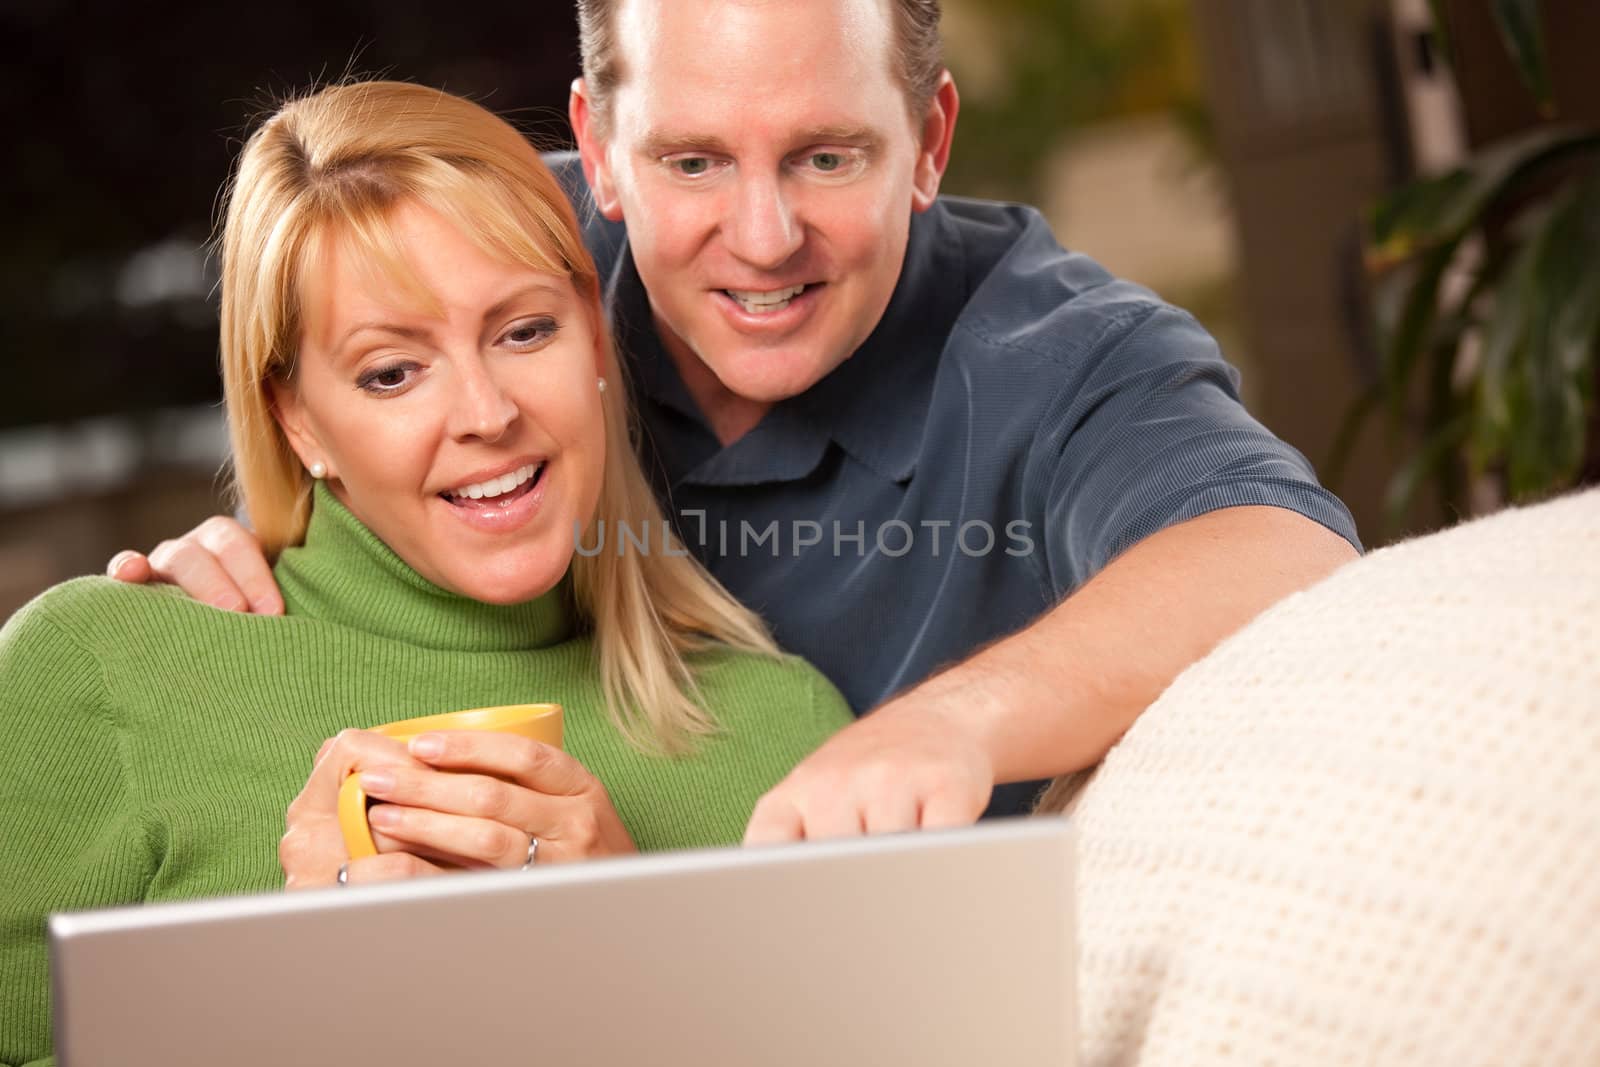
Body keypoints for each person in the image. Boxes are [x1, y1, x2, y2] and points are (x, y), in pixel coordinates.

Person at [108, 0, 1362, 837]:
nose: (762, 241)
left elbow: (1281, 550)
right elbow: (341, 394)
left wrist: (951, 721)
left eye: (825, 156)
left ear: (927, 144)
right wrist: (258, 545)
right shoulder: (505, 254)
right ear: (596, 149)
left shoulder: (1056, 348)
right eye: (692, 161)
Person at [0, 80, 851, 1067]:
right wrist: (287, 1005)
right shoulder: (103, 667)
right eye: (391, 371)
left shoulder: (786, 737)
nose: (486, 411)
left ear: (594, 334)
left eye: (523, 330)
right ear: (299, 419)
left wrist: (636, 960)